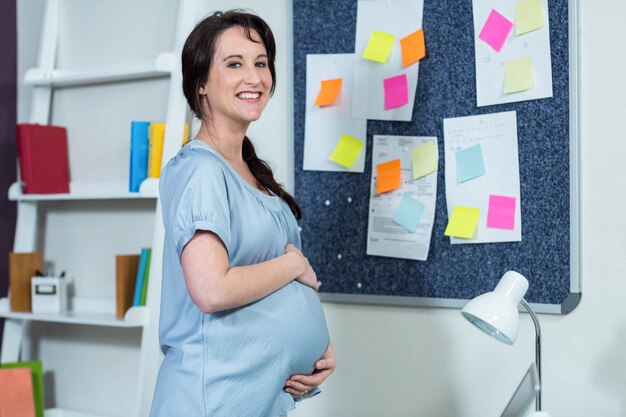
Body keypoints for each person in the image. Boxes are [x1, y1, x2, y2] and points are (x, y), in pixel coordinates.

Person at [149, 9, 336, 417]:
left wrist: (319, 353)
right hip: (212, 401)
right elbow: (213, 290)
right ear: (200, 83)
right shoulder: (200, 170)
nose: (254, 78)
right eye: (234, 64)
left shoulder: (253, 175)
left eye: (261, 63)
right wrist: (293, 265)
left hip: (260, 400)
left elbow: (272, 292)